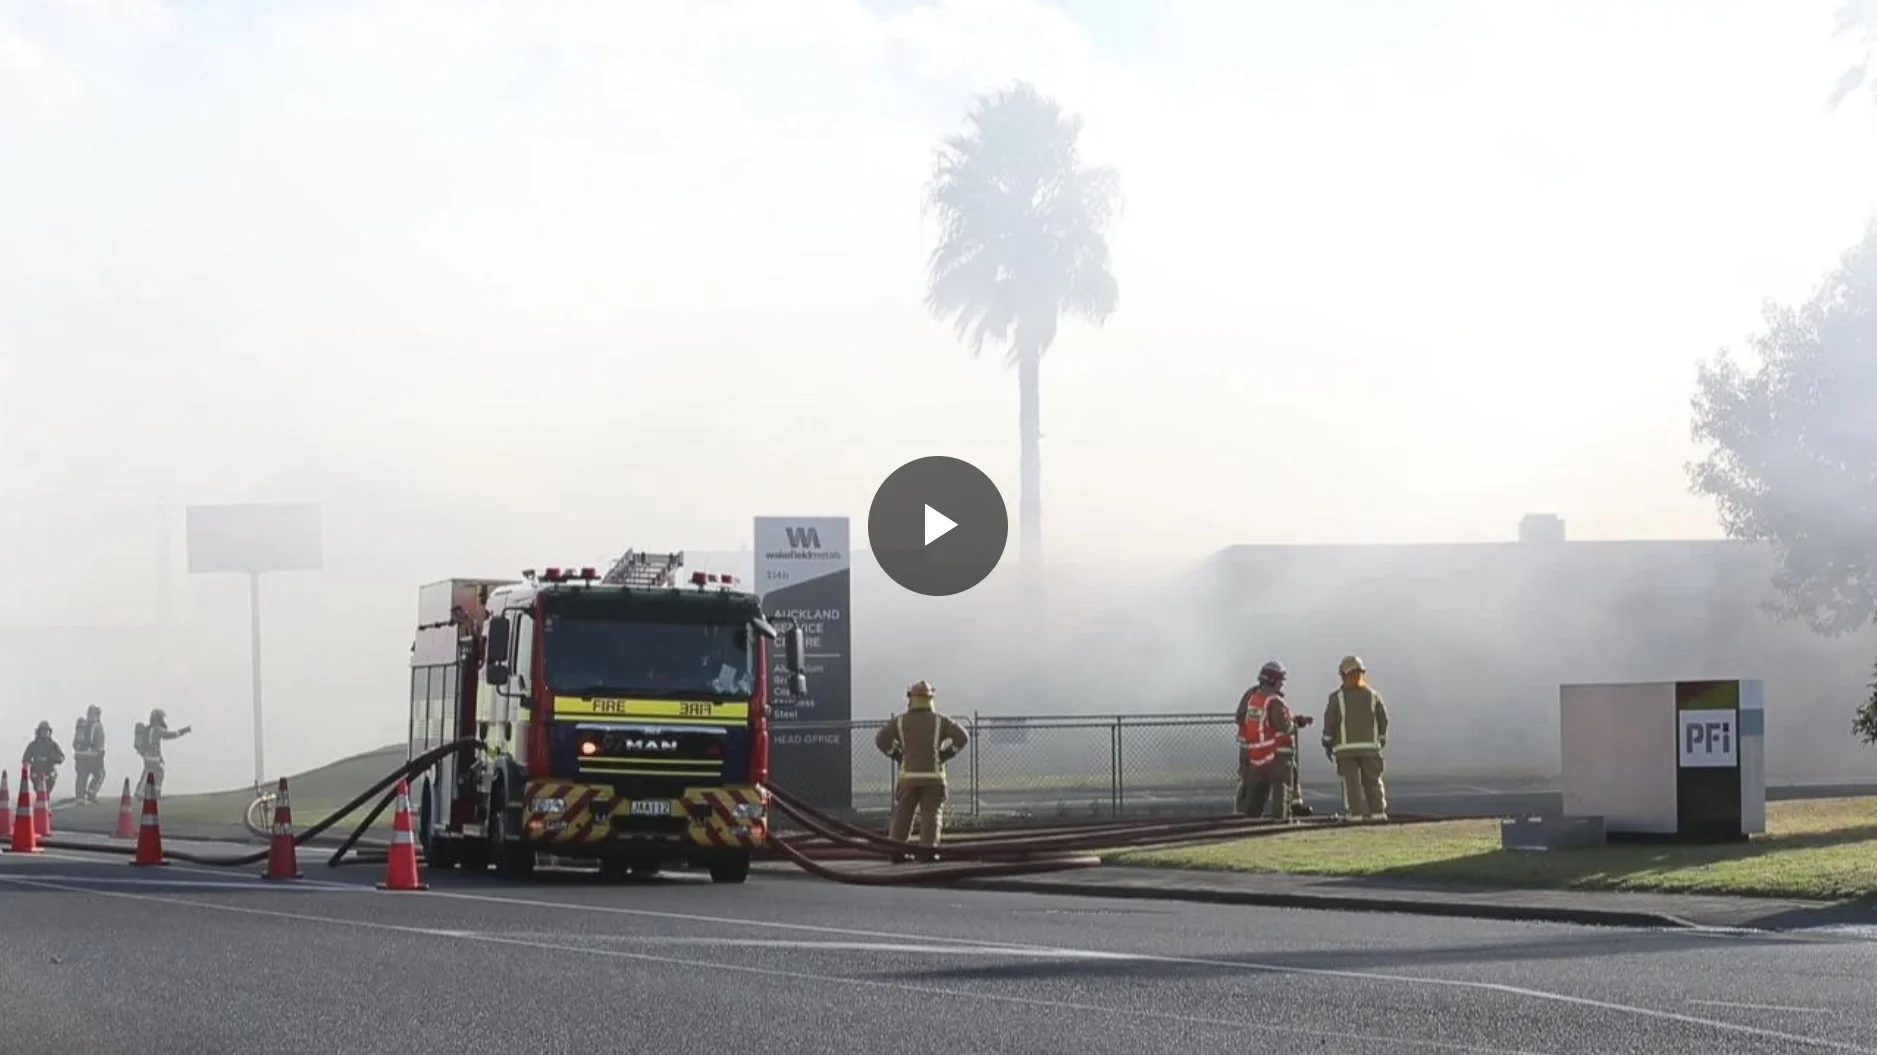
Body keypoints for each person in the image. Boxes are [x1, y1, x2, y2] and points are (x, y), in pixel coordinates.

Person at [873, 680, 970, 862]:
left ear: (911, 698)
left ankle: (896, 851)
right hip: (933, 777)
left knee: (903, 814)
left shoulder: (900, 721)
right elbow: (962, 736)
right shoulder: (940, 721)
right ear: (930, 698)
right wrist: (947, 754)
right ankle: (927, 852)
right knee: (931, 815)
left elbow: (881, 739)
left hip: (907, 778)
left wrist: (896, 755)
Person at [1321, 654, 1390, 821]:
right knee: (1373, 781)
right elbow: (1383, 721)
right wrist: (1380, 740)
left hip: (1345, 751)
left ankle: (1355, 815)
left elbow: (1330, 721)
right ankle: (1378, 813)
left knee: (1351, 784)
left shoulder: (1336, 698)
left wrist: (1327, 742)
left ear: (1343, 675)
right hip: (1370, 749)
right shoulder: (1374, 696)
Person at [1233, 660, 1296, 819]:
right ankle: (1279, 820)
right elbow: (1282, 725)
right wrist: (1293, 723)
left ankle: (1248, 818)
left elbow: (1244, 717)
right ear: (1273, 680)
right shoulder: (1273, 700)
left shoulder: (1254, 697)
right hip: (1272, 751)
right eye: (1280, 680)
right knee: (1279, 785)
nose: (1282, 684)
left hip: (1255, 750)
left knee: (1256, 786)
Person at [134, 707, 192, 799]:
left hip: (148, 756)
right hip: (152, 757)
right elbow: (170, 735)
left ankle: (143, 793)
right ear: (158, 718)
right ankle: (146, 794)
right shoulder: (157, 729)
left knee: (152, 772)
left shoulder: (150, 729)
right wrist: (184, 731)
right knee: (155, 773)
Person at [23, 720, 65, 801]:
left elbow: (62, 757)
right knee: (39, 790)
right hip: (36, 771)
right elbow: (25, 758)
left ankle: (45, 804)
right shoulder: (33, 745)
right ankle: (41, 803)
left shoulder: (53, 745)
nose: (45, 733)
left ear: (50, 732)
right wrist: (30, 764)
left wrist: (55, 759)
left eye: (47, 731)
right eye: (43, 730)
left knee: (47, 790)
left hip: (49, 771)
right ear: (39, 732)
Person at [72, 705, 106, 803]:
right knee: (100, 774)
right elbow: (99, 744)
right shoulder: (98, 726)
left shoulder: (82, 726)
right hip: (93, 756)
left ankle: (79, 797)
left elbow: (75, 743)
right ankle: (91, 792)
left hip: (80, 756)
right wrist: (100, 753)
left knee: (82, 776)